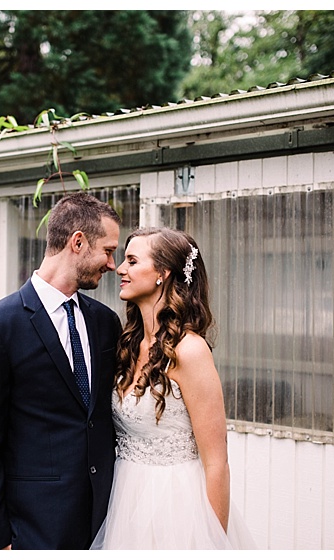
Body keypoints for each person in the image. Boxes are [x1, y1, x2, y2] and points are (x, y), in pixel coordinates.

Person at [0, 192, 123, 549]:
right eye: (108, 250)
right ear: (78, 242)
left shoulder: (106, 323)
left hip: (108, 522)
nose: (112, 264)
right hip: (34, 529)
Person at [91, 227, 255, 549]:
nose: (120, 269)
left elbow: (216, 463)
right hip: (125, 501)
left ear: (162, 274)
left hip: (177, 509)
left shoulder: (190, 351)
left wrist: (213, 543)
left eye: (132, 261)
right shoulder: (127, 342)